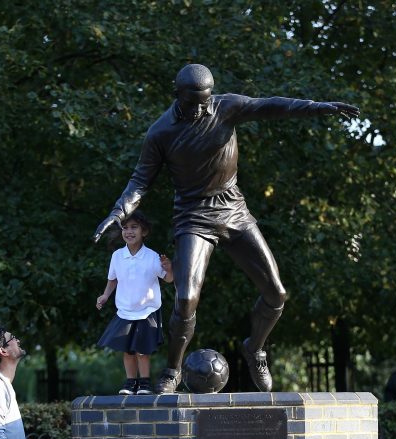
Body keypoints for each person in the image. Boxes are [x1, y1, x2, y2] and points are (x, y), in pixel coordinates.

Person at [92, 64, 359, 394]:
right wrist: (118, 212)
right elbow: (139, 182)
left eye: (206, 100)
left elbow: (272, 105)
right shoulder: (160, 133)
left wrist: (319, 107)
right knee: (186, 297)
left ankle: (255, 349)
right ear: (178, 96)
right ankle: (173, 369)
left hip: (233, 211)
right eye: (195, 102)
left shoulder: (225, 106)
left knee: (276, 293)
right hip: (193, 216)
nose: (202, 108)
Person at [95, 212, 174, 395]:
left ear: (144, 231)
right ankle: (131, 383)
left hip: (147, 309)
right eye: (125, 228)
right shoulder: (117, 256)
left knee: (142, 350)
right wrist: (105, 295)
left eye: (134, 227)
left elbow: (168, 279)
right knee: (128, 350)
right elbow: (113, 279)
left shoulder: (152, 256)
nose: (129, 231)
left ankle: (144, 383)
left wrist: (169, 269)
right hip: (125, 309)